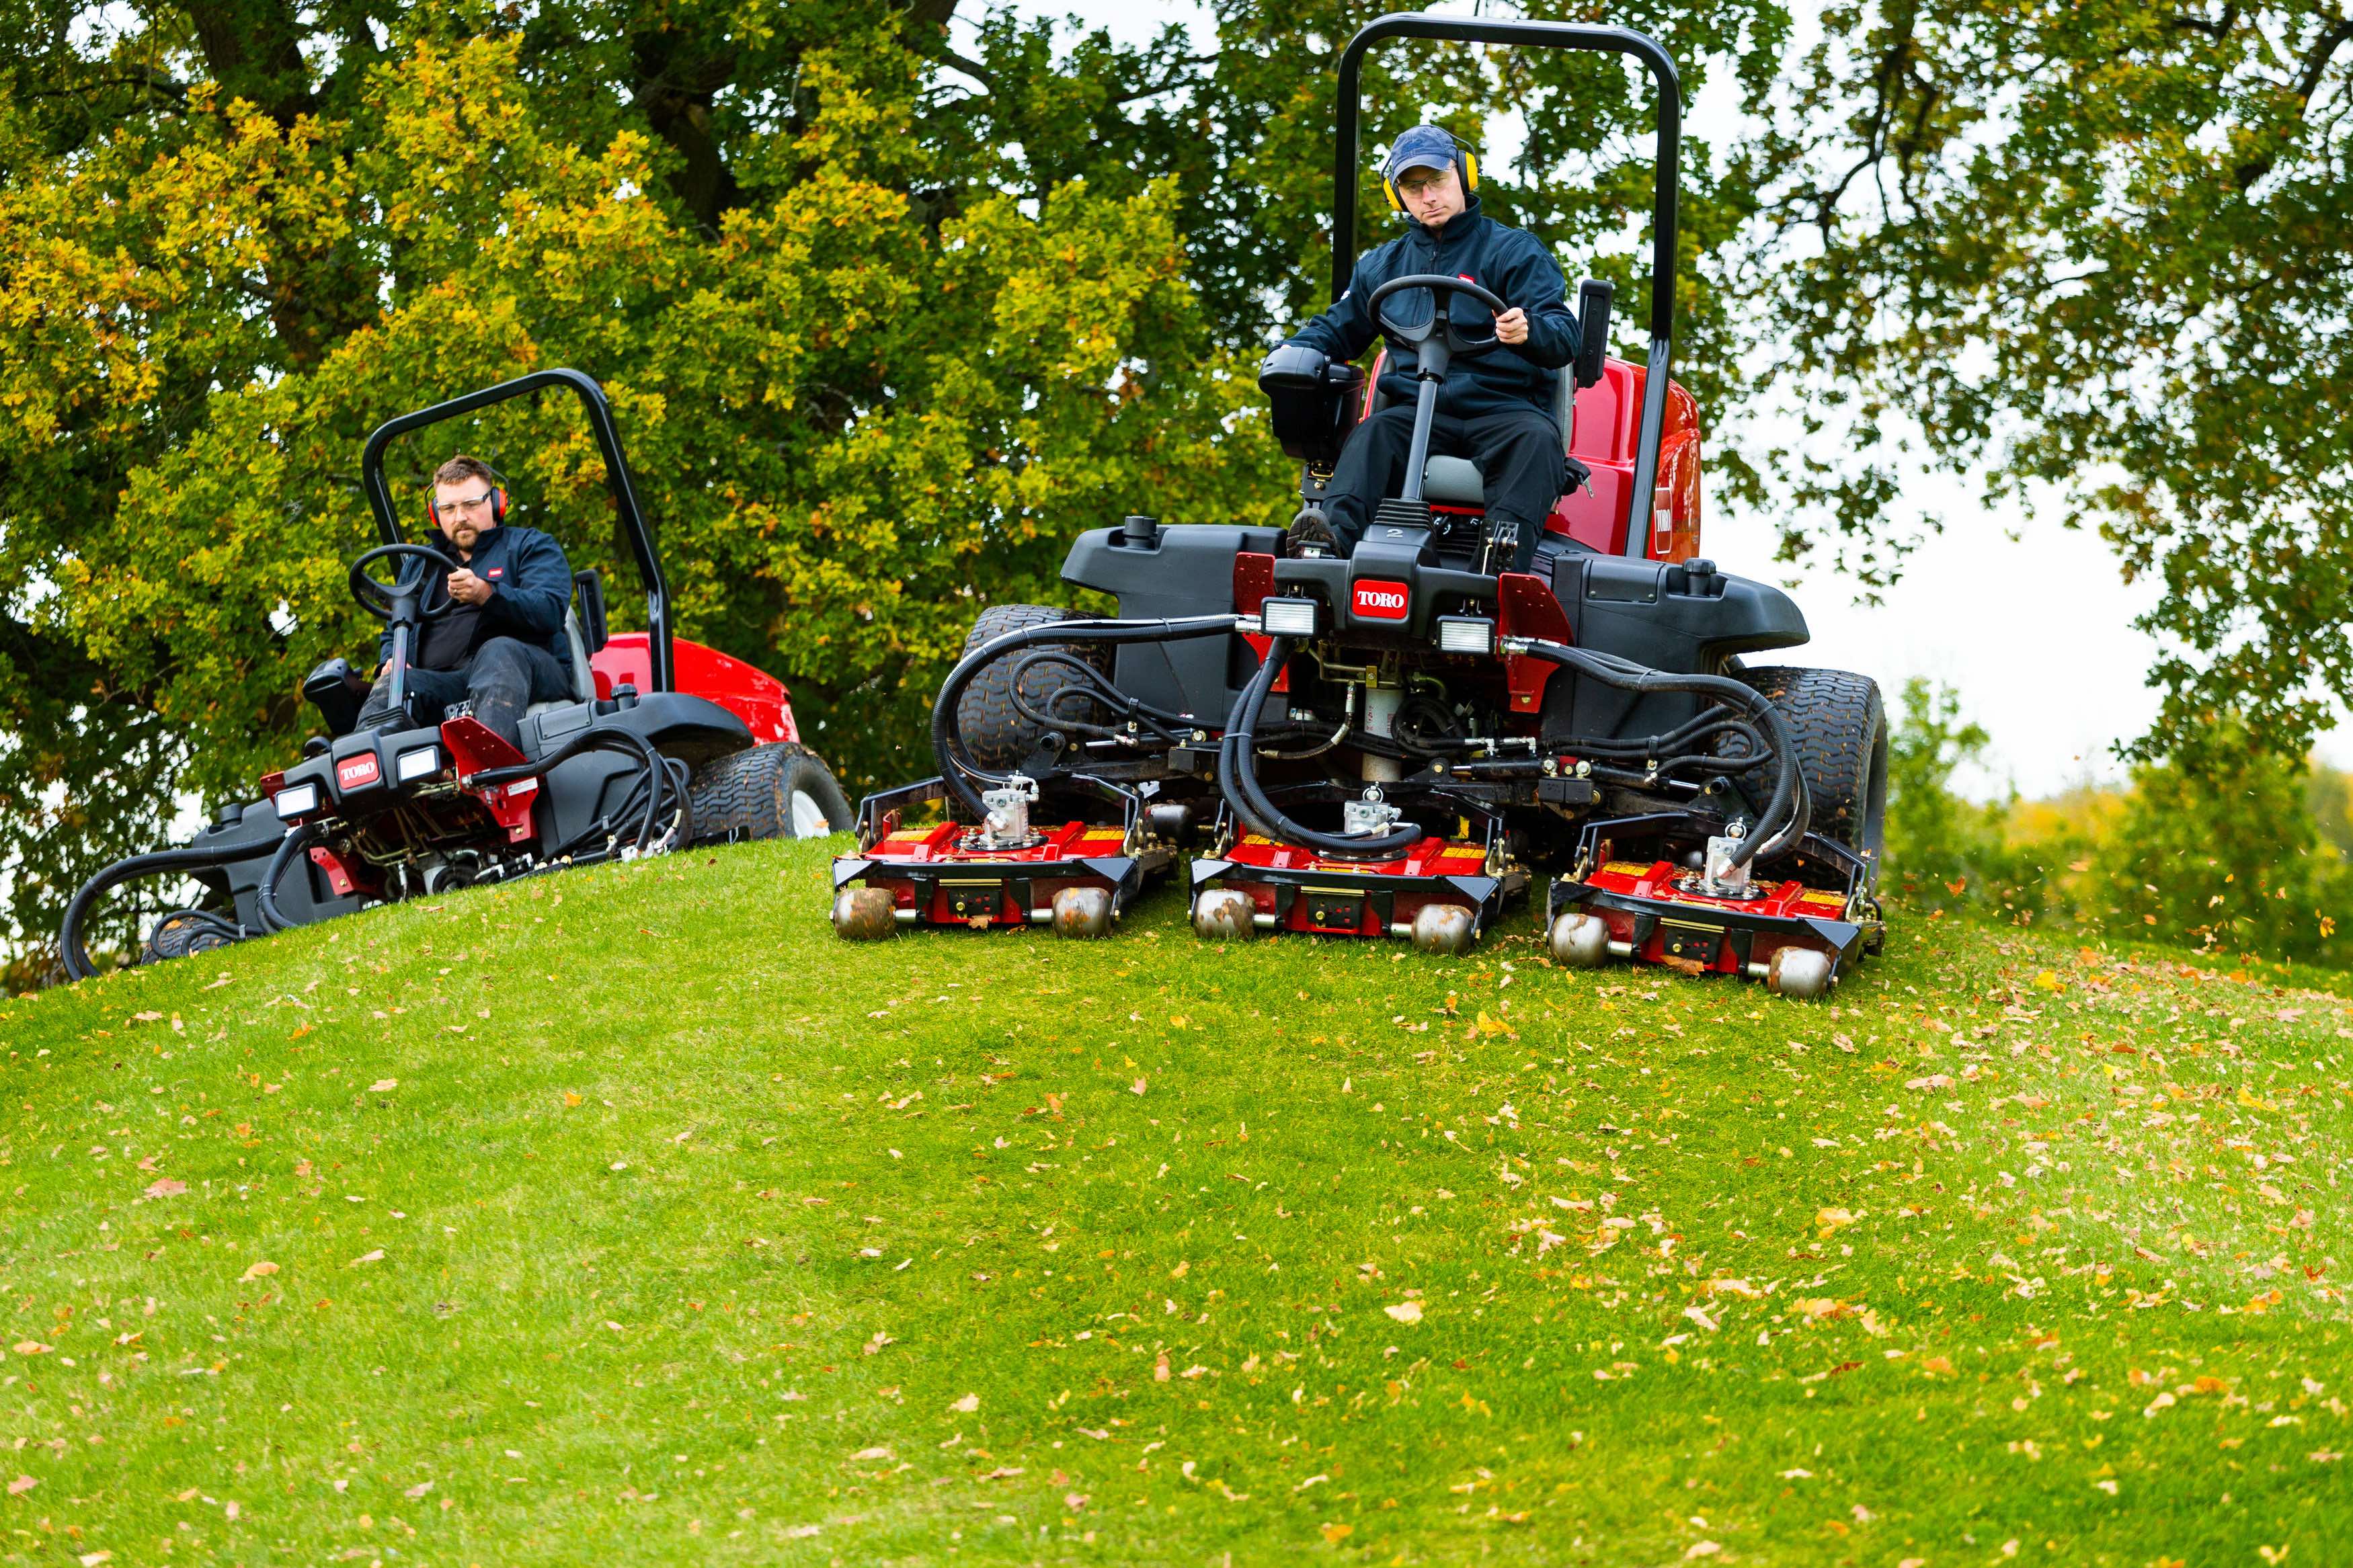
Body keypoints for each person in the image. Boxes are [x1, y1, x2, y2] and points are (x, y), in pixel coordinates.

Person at [1278, 124, 1585, 571]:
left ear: (1464, 175)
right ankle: (1328, 549)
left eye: (1438, 180)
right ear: (1396, 195)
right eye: (1413, 186)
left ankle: (1501, 565)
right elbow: (1335, 329)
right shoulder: (1382, 267)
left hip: (1501, 410)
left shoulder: (1514, 252)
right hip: (1416, 410)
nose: (1429, 196)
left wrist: (1530, 331)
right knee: (1371, 435)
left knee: (1536, 440)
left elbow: (1563, 334)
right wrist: (1291, 355)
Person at [354, 454, 577, 747]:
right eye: (448, 508)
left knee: (499, 650)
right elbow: (394, 627)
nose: (459, 517)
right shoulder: (421, 566)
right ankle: (362, 768)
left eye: (470, 505)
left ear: (497, 503)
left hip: (528, 670)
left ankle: (490, 761)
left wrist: (487, 594)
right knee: (393, 684)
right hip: (446, 683)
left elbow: (548, 610)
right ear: (436, 513)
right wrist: (392, 662)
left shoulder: (530, 546)